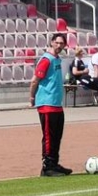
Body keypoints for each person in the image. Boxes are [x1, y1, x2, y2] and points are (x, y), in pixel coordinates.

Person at [31, 33, 74, 176]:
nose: (59, 45)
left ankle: (54, 163)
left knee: (57, 136)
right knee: (49, 136)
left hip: (56, 104)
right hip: (47, 103)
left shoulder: (56, 59)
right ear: (52, 42)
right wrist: (32, 97)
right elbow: (35, 80)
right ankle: (47, 166)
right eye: (57, 42)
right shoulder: (46, 59)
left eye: (62, 43)